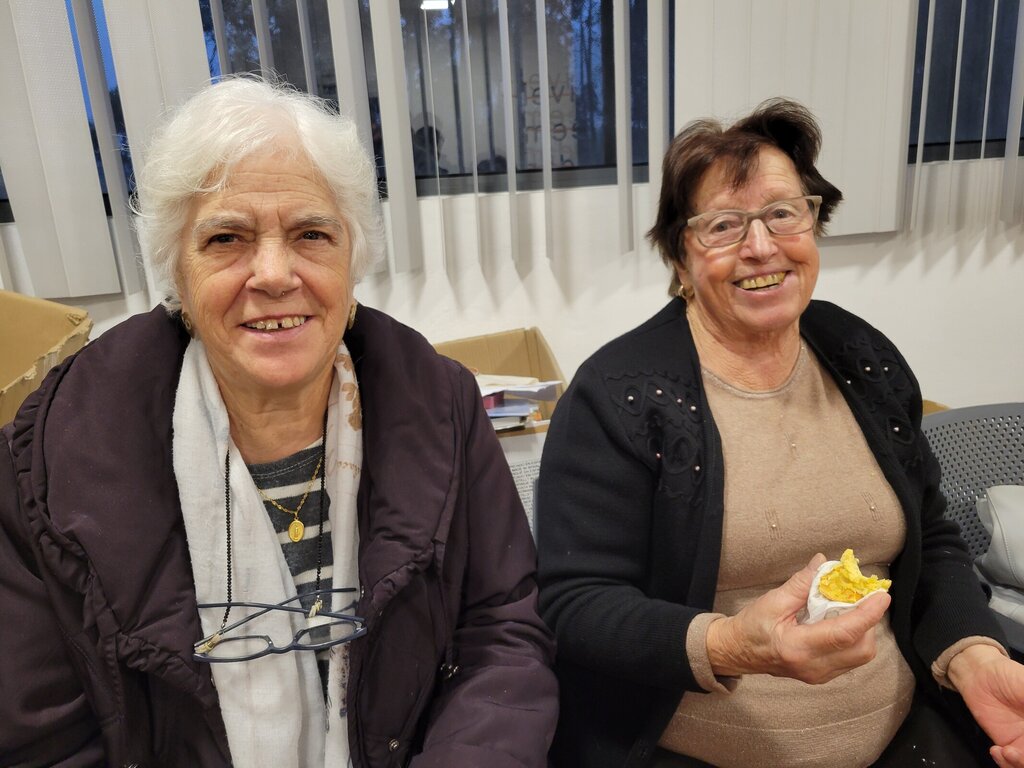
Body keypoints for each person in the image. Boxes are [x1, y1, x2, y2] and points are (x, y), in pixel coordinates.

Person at [0, 76, 556, 767]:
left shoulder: (443, 405)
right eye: (226, 238)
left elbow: (501, 635)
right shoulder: (43, 461)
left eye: (311, 234)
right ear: (176, 272)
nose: (273, 274)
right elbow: (39, 738)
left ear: (353, 257)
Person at [536, 98, 1024, 768]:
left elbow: (932, 540)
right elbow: (574, 604)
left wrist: (971, 655)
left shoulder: (863, 357)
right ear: (679, 256)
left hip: (905, 737)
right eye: (724, 226)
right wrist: (735, 645)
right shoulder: (619, 395)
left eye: (783, 214)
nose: (761, 246)